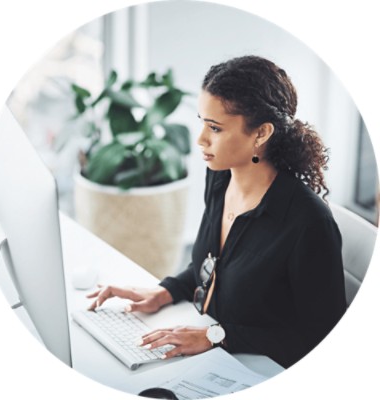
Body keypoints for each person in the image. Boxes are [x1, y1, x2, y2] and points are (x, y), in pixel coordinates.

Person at [87, 55, 347, 368]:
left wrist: (217, 336)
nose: (200, 139)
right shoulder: (221, 176)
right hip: (208, 353)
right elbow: (213, 265)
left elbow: (322, 339)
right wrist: (164, 292)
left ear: (261, 133)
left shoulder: (308, 223)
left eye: (215, 128)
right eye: (202, 122)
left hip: (259, 370)